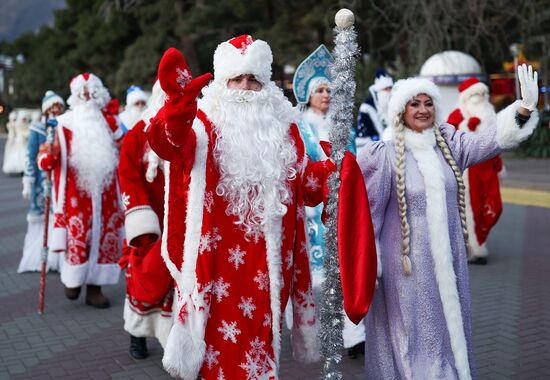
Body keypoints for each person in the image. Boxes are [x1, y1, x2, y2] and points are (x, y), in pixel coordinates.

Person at [147, 35, 339, 379]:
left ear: (266, 84)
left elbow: (302, 184)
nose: (245, 88)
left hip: (270, 267)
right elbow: (169, 144)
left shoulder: (285, 127)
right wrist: (177, 111)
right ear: (222, 82)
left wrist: (331, 175)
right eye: (236, 79)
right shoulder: (202, 124)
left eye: (253, 79)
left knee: (262, 351)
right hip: (217, 266)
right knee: (219, 353)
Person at [357, 64, 539, 379]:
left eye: (428, 103)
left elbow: (488, 141)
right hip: (406, 269)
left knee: (446, 332)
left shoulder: (449, 144)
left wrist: (522, 111)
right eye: (415, 103)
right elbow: (366, 212)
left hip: (449, 264)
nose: (423, 110)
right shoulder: (383, 155)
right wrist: (369, 266)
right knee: (411, 338)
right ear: (401, 110)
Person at [291, 44, 364, 359]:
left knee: (346, 267)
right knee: (317, 275)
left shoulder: (343, 127)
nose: (326, 94)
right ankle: (318, 332)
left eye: (329, 89)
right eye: (320, 89)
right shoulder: (298, 128)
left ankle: (354, 335)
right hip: (311, 209)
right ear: (308, 95)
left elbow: (355, 160)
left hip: (342, 206)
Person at [37, 72, 125, 308]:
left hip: (105, 196)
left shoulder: (110, 122)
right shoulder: (64, 123)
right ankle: (73, 279)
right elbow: (47, 157)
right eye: (82, 92)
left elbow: (126, 148)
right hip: (75, 196)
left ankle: (95, 288)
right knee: (78, 237)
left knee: (101, 238)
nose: (87, 96)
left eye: (91, 91)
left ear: (98, 94)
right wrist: (48, 155)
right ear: (75, 96)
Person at [118, 80, 173, 359]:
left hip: (182, 223)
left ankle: (176, 343)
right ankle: (137, 334)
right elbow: (128, 177)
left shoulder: (195, 131)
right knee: (142, 278)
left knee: (178, 287)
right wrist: (143, 220)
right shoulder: (137, 135)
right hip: (150, 222)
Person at [447, 77, 504, 264]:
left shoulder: (490, 113)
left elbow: (498, 140)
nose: (479, 96)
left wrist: (498, 161)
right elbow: (447, 141)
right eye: (475, 94)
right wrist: (465, 128)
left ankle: (477, 242)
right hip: (468, 171)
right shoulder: (457, 115)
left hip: (489, 168)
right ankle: (475, 247)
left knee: (494, 206)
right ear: (466, 97)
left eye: (482, 93)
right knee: (470, 209)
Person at [18, 91, 66, 273]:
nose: (56, 110)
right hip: (41, 181)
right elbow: (30, 156)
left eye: (59, 107)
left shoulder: (65, 127)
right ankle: (38, 259)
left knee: (58, 218)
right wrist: (28, 181)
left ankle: (57, 259)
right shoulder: (37, 129)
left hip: (59, 180)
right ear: (46, 110)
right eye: (53, 107)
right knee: (40, 220)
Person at [356, 68, 393, 147]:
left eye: (390, 88)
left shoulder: (393, 106)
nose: (390, 92)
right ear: (380, 91)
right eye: (386, 89)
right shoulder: (366, 108)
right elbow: (361, 137)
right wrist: (374, 140)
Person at [3, 109, 32, 174]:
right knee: (18, 155)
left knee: (25, 154)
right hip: (18, 142)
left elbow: (27, 134)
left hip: (25, 143)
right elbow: (12, 135)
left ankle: (25, 168)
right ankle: (20, 168)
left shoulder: (28, 126)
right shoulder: (16, 126)